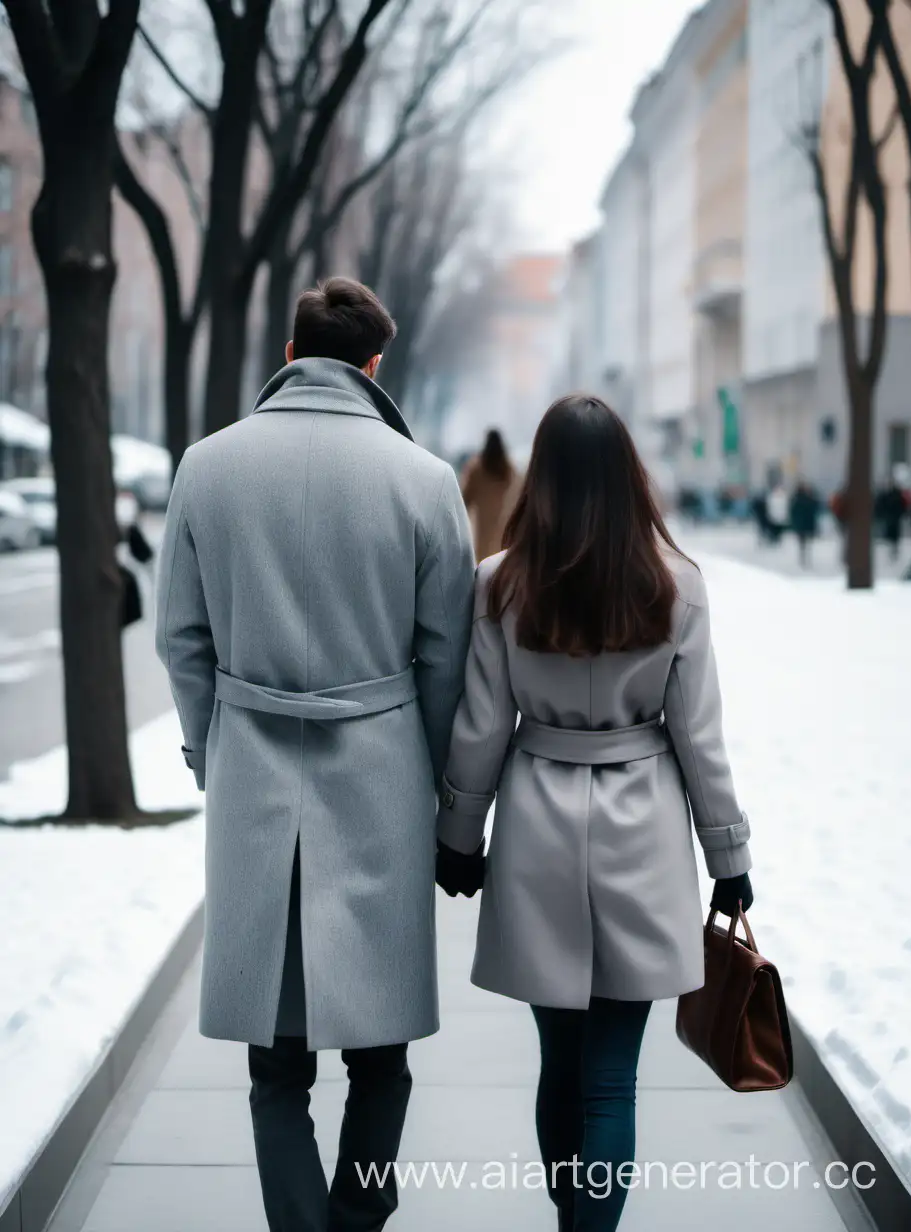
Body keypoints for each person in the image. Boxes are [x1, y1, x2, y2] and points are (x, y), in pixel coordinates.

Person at [155, 277, 475, 1232]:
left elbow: (181, 639)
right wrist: (426, 776)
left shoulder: (205, 467)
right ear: (375, 367)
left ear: (290, 355)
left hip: (252, 763)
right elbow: (447, 656)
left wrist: (215, 748)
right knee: (381, 1055)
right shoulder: (422, 479)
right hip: (379, 774)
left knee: (274, 1062)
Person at [435, 394, 753, 1232]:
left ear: (543, 479)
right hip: (641, 832)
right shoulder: (676, 584)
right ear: (628, 476)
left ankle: (568, 1211)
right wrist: (731, 858)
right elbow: (699, 736)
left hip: (537, 820)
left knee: (559, 1067)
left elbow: (479, 728)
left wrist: (458, 840)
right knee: (613, 1077)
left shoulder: (499, 584)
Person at [460, 428, 522, 561]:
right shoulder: (508, 469)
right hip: (503, 531)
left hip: (482, 533)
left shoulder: (476, 469)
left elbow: (464, 501)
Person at [789, 481, 821, 568]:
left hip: (801, 525)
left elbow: (792, 512)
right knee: (806, 543)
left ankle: (803, 558)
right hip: (806, 524)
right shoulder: (808, 499)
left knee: (802, 543)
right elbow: (816, 507)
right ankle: (804, 558)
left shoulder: (796, 499)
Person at [764, 480, 789, 545]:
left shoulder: (784, 497)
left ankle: (778, 538)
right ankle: (773, 538)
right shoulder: (772, 497)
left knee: (779, 528)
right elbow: (769, 506)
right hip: (773, 515)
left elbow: (786, 507)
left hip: (781, 515)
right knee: (773, 528)